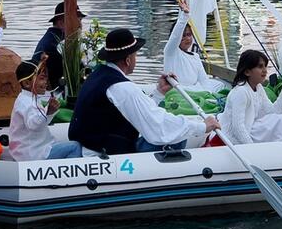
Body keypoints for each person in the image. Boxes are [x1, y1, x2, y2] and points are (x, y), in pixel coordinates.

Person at [69, 28, 220, 155]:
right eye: (135, 55)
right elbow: (157, 124)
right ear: (128, 60)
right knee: (177, 137)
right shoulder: (121, 87)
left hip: (94, 143)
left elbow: (138, 111)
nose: (136, 59)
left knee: (172, 131)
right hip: (109, 152)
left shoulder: (98, 75)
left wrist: (159, 93)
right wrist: (202, 126)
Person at [221, 50, 282, 145]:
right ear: (247, 72)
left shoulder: (259, 87)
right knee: (279, 120)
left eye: (265, 66)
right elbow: (238, 128)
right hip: (233, 139)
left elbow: (273, 112)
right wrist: (253, 149)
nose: (265, 70)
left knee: (280, 119)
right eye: (260, 66)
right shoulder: (241, 92)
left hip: (250, 128)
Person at [8, 60, 82, 161]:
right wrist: (47, 112)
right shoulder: (28, 104)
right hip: (33, 153)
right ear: (26, 83)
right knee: (75, 147)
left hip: (27, 149)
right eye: (42, 79)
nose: (46, 83)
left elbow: (39, 122)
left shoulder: (26, 98)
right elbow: (34, 125)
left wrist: (49, 112)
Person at [163, 0, 225, 92]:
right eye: (183, 36)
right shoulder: (171, 52)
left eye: (189, 35)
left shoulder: (195, 57)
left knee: (220, 85)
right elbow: (175, 35)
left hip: (194, 92)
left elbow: (204, 81)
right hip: (178, 92)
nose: (187, 38)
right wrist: (185, 15)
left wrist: (208, 94)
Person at [32, 1, 84, 91]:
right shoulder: (58, 44)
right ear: (61, 23)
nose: (80, 25)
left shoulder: (52, 37)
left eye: (80, 20)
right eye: (76, 20)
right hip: (51, 93)